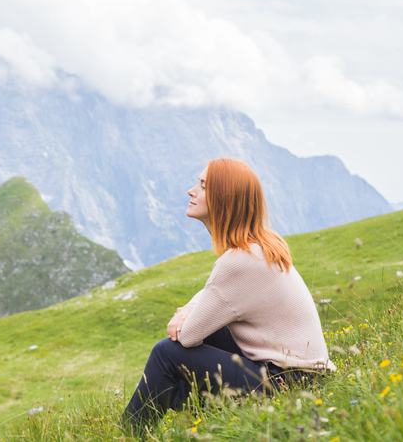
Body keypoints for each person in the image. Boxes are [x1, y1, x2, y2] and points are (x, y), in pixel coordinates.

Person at [122, 158, 336, 433]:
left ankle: (127, 434)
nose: (191, 191)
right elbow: (215, 295)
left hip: (287, 383)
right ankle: (200, 419)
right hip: (302, 376)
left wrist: (187, 315)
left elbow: (187, 336)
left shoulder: (238, 261)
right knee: (210, 330)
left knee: (167, 352)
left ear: (223, 199)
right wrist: (190, 307)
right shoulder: (258, 246)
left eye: (202, 186)